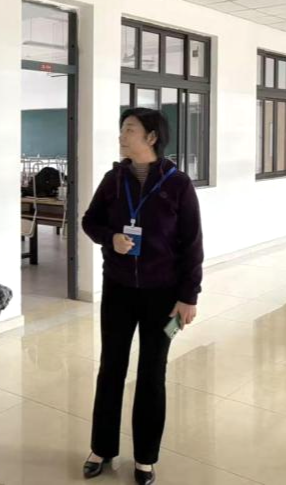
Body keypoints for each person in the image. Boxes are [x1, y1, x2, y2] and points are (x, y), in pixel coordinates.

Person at [81, 108, 203, 485]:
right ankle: (102, 448)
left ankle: (146, 458)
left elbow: (192, 245)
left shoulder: (177, 184)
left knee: (152, 373)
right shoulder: (114, 180)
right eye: (122, 129)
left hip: (162, 296)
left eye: (130, 129)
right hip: (118, 289)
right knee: (111, 367)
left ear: (151, 137)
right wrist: (111, 238)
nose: (122, 135)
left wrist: (188, 296)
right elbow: (90, 221)